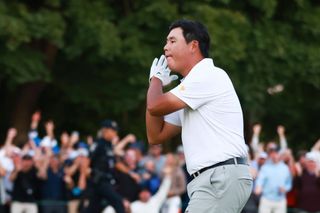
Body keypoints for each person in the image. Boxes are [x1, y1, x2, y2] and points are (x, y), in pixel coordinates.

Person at [146, 19, 253, 213]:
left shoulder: (207, 75)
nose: (165, 47)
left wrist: (156, 82)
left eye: (172, 41)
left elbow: (154, 106)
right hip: (215, 179)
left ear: (193, 45)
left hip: (219, 177)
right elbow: (155, 136)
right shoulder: (188, 89)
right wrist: (156, 86)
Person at [85, 119, 126, 213]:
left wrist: (131, 173)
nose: (116, 133)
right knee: (118, 202)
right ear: (105, 130)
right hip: (99, 181)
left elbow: (115, 164)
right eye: (113, 130)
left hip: (106, 181)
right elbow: (86, 161)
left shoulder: (109, 146)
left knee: (92, 208)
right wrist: (83, 179)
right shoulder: (97, 144)